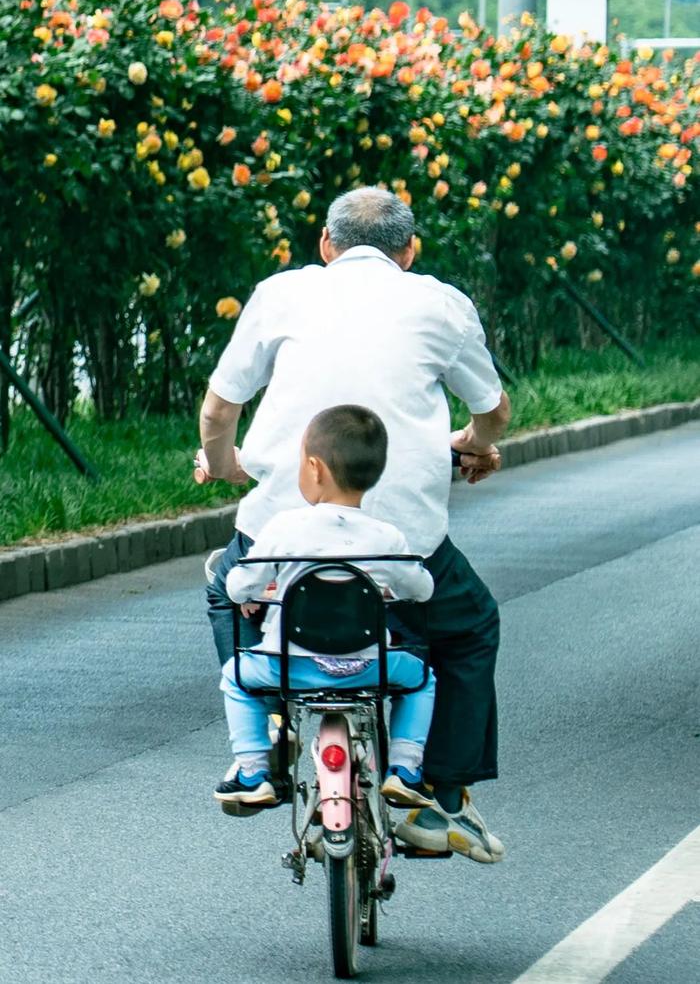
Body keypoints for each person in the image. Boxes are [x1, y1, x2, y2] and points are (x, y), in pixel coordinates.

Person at [200, 186, 510, 862]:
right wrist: (475, 442)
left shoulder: (280, 294)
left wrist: (228, 466)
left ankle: (269, 728)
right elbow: (493, 408)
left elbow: (220, 410)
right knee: (468, 628)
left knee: (228, 586)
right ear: (409, 251)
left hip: (275, 533)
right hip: (403, 540)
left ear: (325, 244)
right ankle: (442, 795)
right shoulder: (439, 302)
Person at [215, 404, 437, 811]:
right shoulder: (386, 537)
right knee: (422, 680)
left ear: (314, 468)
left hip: (288, 666)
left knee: (235, 677)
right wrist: (385, 588)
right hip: (372, 666)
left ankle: (252, 771)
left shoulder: (284, 528)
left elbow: (237, 585)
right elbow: (421, 589)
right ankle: (405, 769)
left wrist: (256, 592)